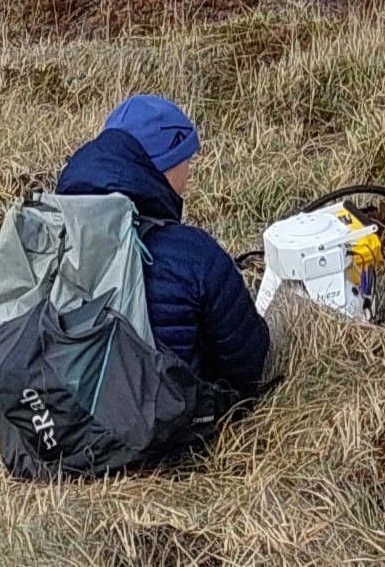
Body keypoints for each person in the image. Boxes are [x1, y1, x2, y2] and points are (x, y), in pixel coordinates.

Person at [56, 94, 271, 406]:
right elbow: (250, 365)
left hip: (54, 423)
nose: (189, 175)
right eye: (186, 161)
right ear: (165, 167)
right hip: (164, 433)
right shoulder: (195, 255)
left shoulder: (52, 235)